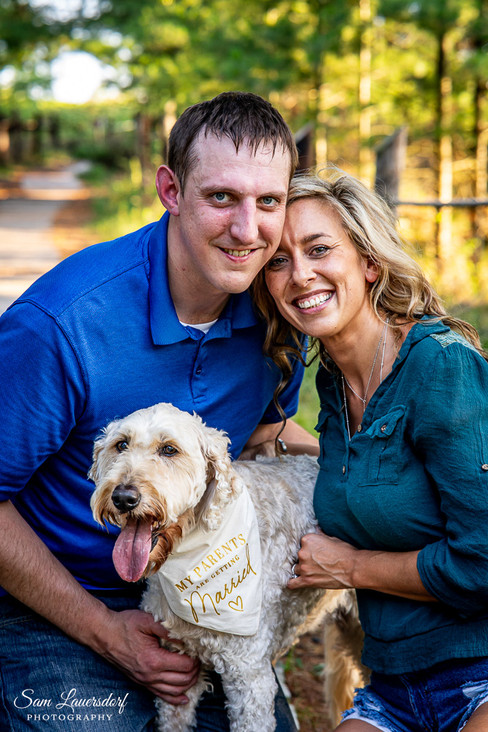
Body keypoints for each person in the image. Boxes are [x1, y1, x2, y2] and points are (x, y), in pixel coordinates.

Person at [0, 92, 317, 732]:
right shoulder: (61, 326)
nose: (248, 230)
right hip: (55, 602)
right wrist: (105, 632)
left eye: (269, 202)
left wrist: (382, 471)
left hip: (205, 589)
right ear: (170, 189)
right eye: (221, 197)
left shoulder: (279, 313)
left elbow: (264, 429)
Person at [253, 169, 488, 732]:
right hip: (392, 690)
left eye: (319, 249)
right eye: (278, 261)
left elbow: (482, 562)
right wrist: (277, 436)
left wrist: (351, 567)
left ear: (369, 262)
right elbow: (372, 472)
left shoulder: (440, 367)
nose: (300, 274)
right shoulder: (334, 379)